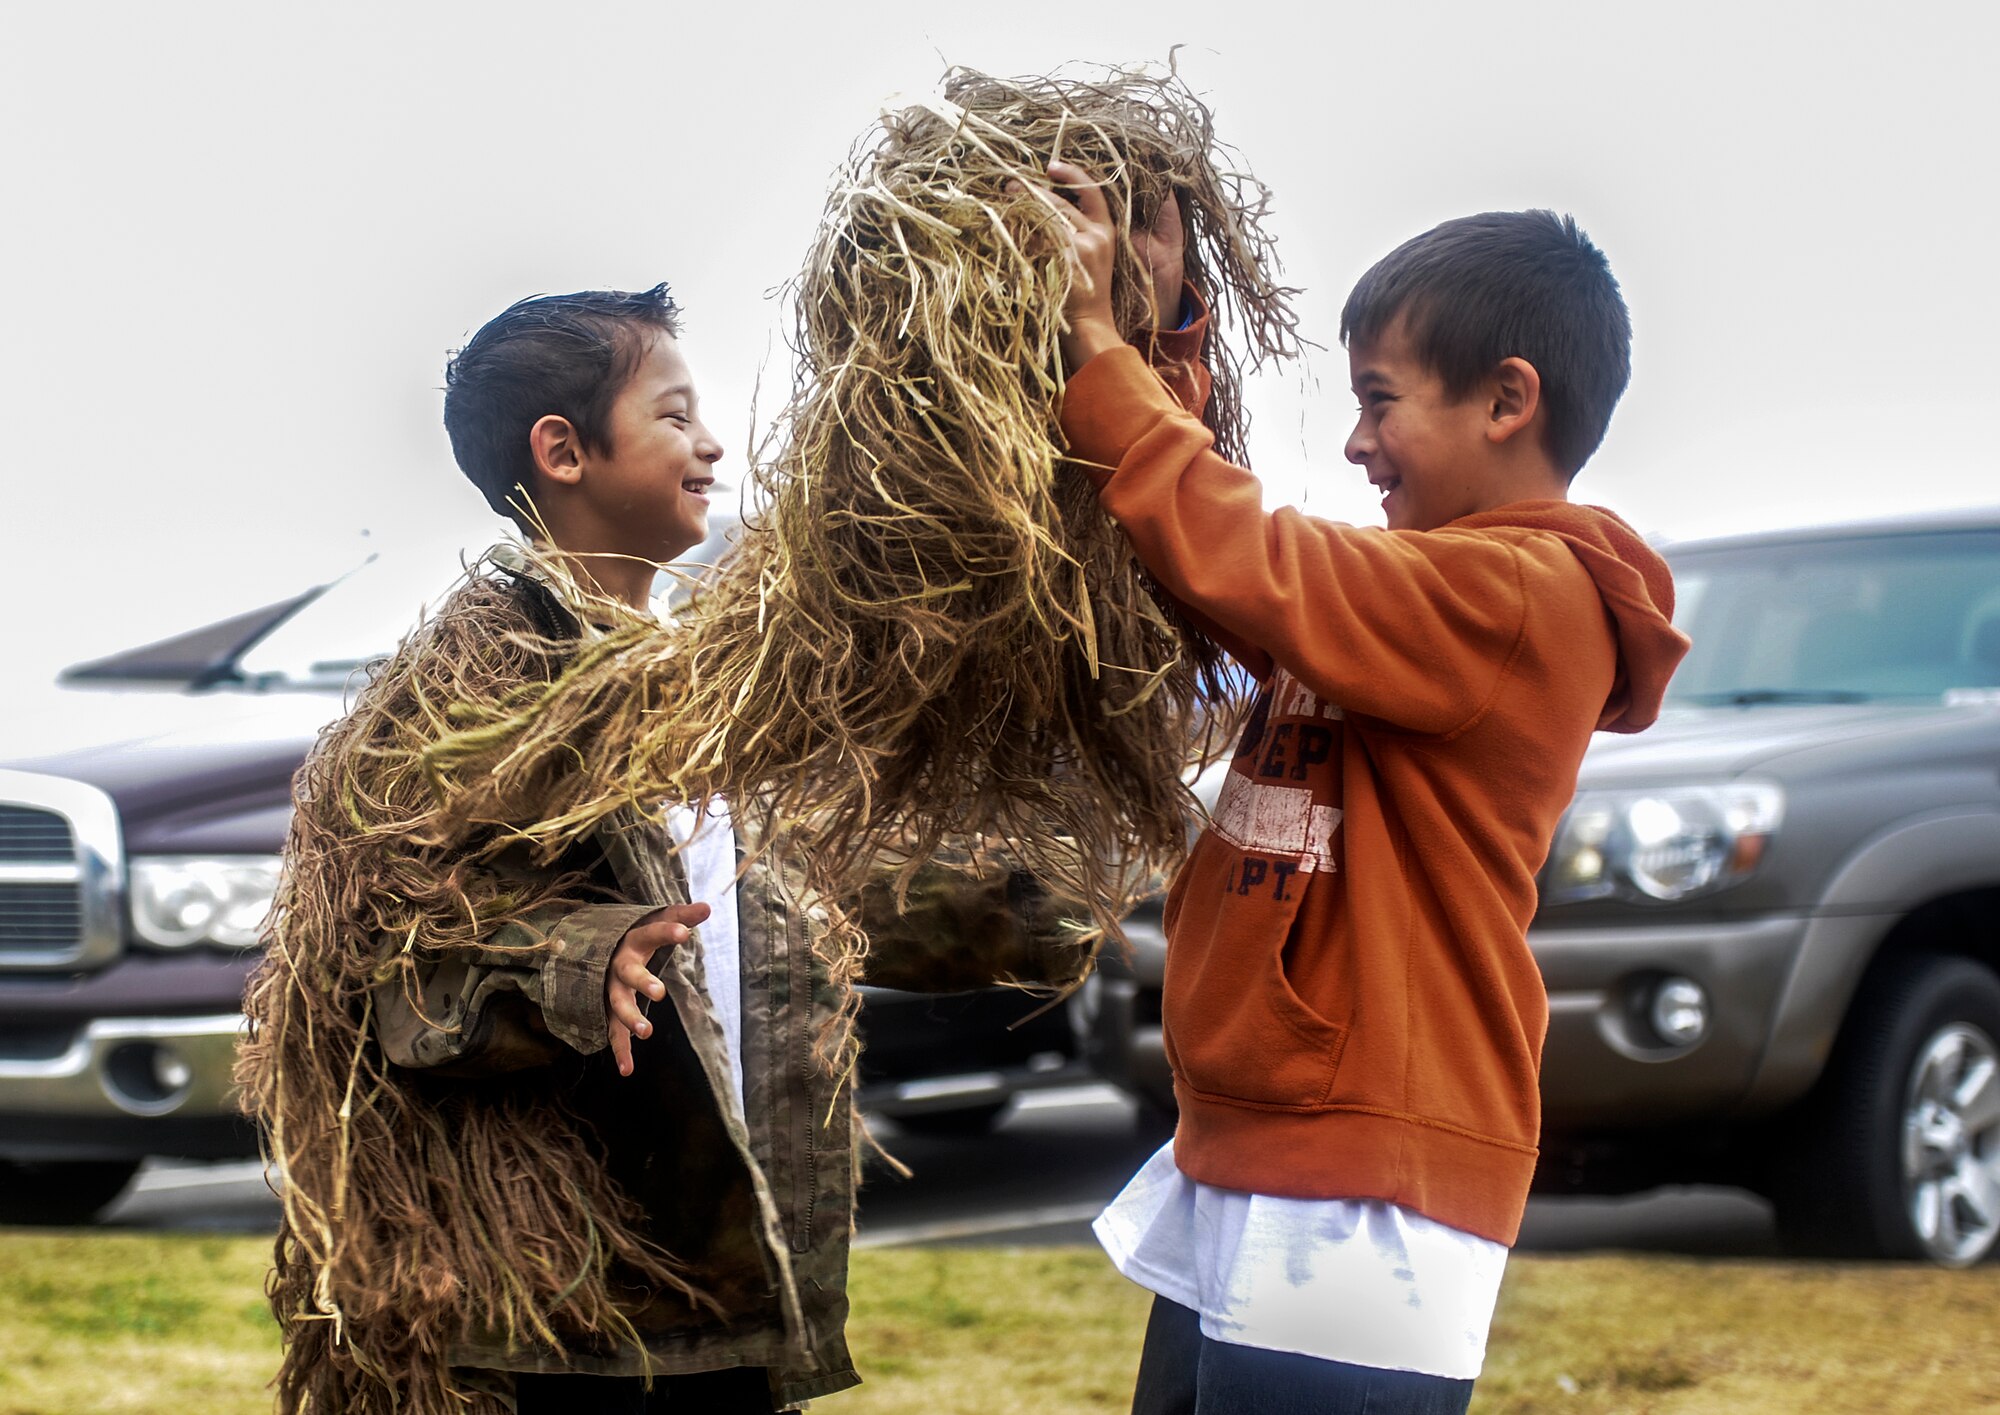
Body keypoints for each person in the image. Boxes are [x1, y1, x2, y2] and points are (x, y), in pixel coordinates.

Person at [237, 284, 1088, 1415]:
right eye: (674, 415)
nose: (714, 442)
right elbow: (403, 949)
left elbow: (783, 899)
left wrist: (1044, 916)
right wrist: (586, 961)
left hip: (722, 1280)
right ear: (562, 450)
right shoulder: (482, 683)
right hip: (579, 1312)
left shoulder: (699, 679)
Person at [1036, 172, 1691, 1413]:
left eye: (1379, 403)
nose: (1354, 441)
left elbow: (1260, 561)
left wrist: (1088, 346)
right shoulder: (1420, 589)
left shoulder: (1517, 599)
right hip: (1272, 1143)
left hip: (1367, 1177)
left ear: (1507, 399)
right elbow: (1218, 576)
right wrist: (1154, 335)